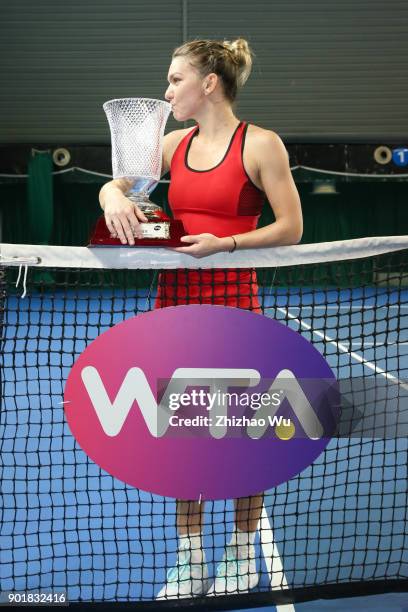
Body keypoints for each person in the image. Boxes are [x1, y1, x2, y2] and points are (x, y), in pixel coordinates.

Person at [99, 38, 302, 599]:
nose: (166, 93)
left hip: (236, 308)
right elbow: (122, 183)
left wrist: (226, 244)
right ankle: (190, 561)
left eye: (174, 81)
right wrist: (110, 195)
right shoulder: (169, 144)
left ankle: (240, 555)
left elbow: (291, 227)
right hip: (174, 310)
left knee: (243, 438)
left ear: (208, 84)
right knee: (182, 437)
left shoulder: (261, 145)